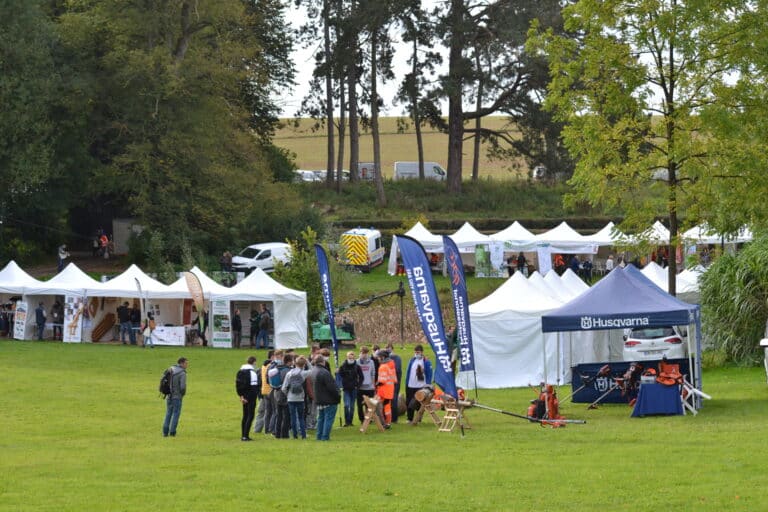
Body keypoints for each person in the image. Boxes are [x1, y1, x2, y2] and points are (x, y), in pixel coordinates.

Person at [310, 354, 340, 441]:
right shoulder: (324, 372)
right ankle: (325, 436)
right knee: (328, 419)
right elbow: (331, 387)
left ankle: (319, 436)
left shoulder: (313, 370)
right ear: (323, 362)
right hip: (328, 399)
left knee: (321, 418)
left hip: (319, 398)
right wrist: (338, 396)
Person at [282, 355, 310, 439]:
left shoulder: (289, 373)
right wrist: (307, 361)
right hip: (300, 398)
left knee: (293, 417)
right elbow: (312, 370)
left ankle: (294, 435)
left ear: (295, 363)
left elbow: (284, 387)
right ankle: (303, 435)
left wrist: (287, 394)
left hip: (291, 397)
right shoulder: (303, 373)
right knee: (301, 417)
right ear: (303, 364)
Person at [405, 344, 433, 424]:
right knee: (408, 402)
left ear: (422, 352)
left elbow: (429, 373)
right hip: (410, 385)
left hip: (420, 386)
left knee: (418, 403)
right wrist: (406, 382)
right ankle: (409, 418)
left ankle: (418, 419)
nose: (416, 354)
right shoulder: (412, 360)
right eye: (415, 352)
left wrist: (427, 384)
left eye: (418, 352)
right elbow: (408, 372)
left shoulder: (426, 362)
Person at [236, 356, 260, 441]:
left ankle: (243, 435)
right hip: (250, 397)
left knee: (245, 415)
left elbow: (238, 385)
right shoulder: (252, 373)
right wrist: (250, 398)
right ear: (254, 362)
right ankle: (246, 436)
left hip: (243, 396)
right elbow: (253, 387)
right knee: (250, 415)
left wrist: (241, 396)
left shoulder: (240, 371)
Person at [162, 357, 188, 437]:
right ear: (182, 363)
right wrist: (182, 394)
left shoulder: (170, 369)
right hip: (177, 397)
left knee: (168, 413)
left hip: (169, 395)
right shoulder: (182, 373)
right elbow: (183, 387)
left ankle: (165, 432)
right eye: (186, 363)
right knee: (176, 414)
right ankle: (172, 432)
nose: (187, 365)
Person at [337, 351, 363, 427]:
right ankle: (346, 421)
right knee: (346, 405)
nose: (351, 359)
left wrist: (358, 386)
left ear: (354, 358)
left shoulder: (357, 366)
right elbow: (339, 376)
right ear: (347, 357)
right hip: (346, 389)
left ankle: (350, 421)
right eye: (349, 358)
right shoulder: (343, 366)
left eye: (352, 358)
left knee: (351, 406)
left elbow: (361, 377)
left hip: (354, 388)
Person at [375, 350, 397, 428]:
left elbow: (382, 381)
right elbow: (394, 379)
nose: (377, 358)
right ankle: (388, 422)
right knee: (387, 407)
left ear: (382, 357)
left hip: (383, 391)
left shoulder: (383, 367)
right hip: (390, 390)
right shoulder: (391, 364)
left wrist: (376, 384)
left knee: (379, 406)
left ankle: (383, 423)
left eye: (378, 357)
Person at [254, 350, 274, 435]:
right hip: (266, 392)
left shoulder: (262, 367)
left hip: (263, 392)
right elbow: (259, 382)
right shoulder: (268, 367)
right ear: (272, 357)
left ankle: (258, 429)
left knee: (263, 412)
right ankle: (263, 429)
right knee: (264, 411)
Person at [356, 346, 377, 423]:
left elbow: (373, 374)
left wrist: (373, 385)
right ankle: (362, 419)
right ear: (360, 353)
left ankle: (369, 418)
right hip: (360, 388)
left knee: (369, 405)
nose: (364, 355)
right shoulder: (357, 362)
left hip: (369, 387)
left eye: (365, 353)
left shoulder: (371, 362)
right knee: (359, 405)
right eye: (362, 353)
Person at [385, 342, 403, 423]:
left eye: (389, 348)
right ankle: (387, 417)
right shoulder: (385, 358)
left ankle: (394, 418)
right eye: (387, 348)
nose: (388, 350)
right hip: (387, 383)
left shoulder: (397, 358)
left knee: (394, 400)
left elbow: (398, 369)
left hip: (395, 383)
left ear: (392, 349)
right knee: (387, 401)